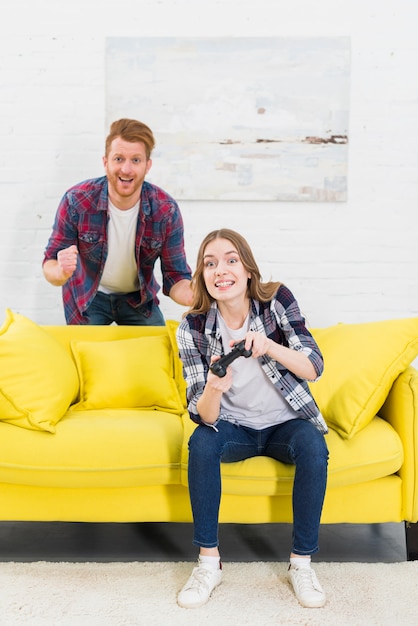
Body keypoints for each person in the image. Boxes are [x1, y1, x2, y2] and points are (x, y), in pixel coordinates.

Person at [176, 228, 329, 609]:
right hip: (233, 428)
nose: (220, 270)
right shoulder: (192, 327)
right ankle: (209, 564)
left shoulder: (276, 301)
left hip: (285, 424)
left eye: (230, 260)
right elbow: (202, 415)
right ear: (202, 277)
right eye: (209, 264)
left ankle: (301, 564)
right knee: (201, 443)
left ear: (247, 270)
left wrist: (270, 346)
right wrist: (214, 386)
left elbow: (313, 366)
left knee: (313, 446)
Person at [43, 118, 193, 325]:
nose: (126, 169)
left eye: (136, 160)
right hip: (89, 298)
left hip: (137, 300)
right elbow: (50, 264)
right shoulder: (76, 201)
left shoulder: (166, 210)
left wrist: (195, 296)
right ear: (106, 162)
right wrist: (61, 271)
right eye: (119, 159)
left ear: (147, 165)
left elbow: (175, 275)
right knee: (86, 355)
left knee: (157, 352)